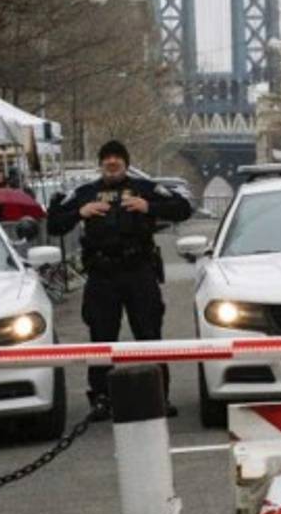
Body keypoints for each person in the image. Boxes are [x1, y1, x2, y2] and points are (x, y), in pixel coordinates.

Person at [47, 140, 192, 421]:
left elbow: (183, 208)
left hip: (138, 271)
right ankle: (101, 398)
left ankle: (159, 396)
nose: (112, 162)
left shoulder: (144, 188)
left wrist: (148, 206)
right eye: (107, 158)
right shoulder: (86, 192)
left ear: (126, 162)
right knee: (101, 339)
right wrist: (80, 212)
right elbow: (54, 224)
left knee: (149, 335)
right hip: (102, 275)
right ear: (101, 164)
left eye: (117, 158)